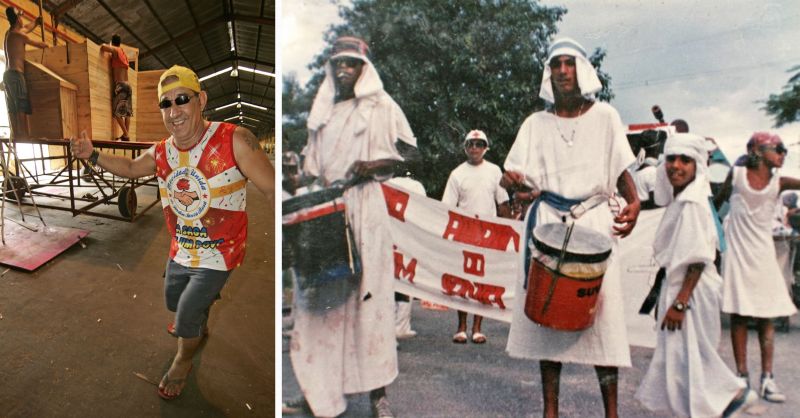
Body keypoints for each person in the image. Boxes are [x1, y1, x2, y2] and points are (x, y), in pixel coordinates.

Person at [69, 65, 275, 400]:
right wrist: (92, 154)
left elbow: (272, 189)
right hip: (181, 248)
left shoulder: (234, 140)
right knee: (174, 301)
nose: (174, 110)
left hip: (221, 251)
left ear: (201, 100)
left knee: (186, 314)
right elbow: (134, 168)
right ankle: (197, 317)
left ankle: (183, 360)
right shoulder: (163, 150)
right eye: (166, 104)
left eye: (182, 99)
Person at [500, 37, 640, 418]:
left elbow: (622, 166)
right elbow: (509, 175)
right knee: (548, 318)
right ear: (549, 75)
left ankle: (611, 413)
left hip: (594, 222)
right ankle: (551, 412)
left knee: (603, 321)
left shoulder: (606, 116)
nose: (562, 71)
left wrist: (636, 200)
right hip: (547, 224)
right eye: (555, 64)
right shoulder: (535, 123)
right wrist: (515, 183)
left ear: (582, 70)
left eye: (569, 63)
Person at [283, 36, 419, 418]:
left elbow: (412, 151)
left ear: (363, 68)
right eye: (338, 63)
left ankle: (378, 397)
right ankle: (316, 394)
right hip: (325, 209)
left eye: (351, 64)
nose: (344, 70)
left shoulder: (381, 105)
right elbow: (310, 168)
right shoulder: (322, 109)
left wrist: (375, 165)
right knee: (316, 305)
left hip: (365, 207)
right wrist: (294, 183)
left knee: (369, 303)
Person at [635, 133, 757, 418]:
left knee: (689, 365)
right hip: (681, 289)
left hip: (691, 293)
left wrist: (680, 303)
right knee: (683, 365)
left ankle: (732, 396)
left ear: (697, 166)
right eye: (672, 159)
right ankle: (726, 399)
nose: (676, 166)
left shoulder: (693, 203)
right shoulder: (683, 199)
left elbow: (698, 259)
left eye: (685, 160)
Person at [715, 132, 800, 402]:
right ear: (757, 150)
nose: (783, 153)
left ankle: (767, 378)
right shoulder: (737, 176)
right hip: (739, 255)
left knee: (766, 317)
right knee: (739, 315)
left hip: (763, 256)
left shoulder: (781, 182)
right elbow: (716, 202)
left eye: (784, 149)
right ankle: (742, 376)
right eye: (778, 148)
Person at [442, 129, 510, 344]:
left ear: (485, 148)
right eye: (471, 144)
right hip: (464, 233)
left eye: (479, 144)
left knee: (482, 281)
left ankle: (478, 328)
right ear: (465, 148)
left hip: (488, 235)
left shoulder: (495, 171)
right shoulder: (456, 174)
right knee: (463, 280)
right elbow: (447, 207)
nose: (475, 148)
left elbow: (503, 204)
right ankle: (461, 327)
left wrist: (508, 228)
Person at [386, 172, 426, 340]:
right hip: (407, 235)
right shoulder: (416, 186)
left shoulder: (387, 182)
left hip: (390, 233)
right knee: (404, 279)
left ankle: (389, 324)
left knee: (389, 281)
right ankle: (401, 325)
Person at [3, 7, 46, 139]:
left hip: (7, 76)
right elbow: (40, 44)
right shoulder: (20, 36)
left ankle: (15, 134)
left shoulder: (9, 34)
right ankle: (23, 136)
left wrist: (36, 22)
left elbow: (27, 27)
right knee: (21, 105)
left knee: (12, 106)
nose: (23, 20)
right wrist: (46, 46)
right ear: (17, 20)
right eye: (21, 17)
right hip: (17, 74)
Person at [100, 34, 132, 141]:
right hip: (128, 85)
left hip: (121, 85)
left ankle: (126, 135)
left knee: (116, 112)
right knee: (127, 113)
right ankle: (125, 136)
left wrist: (108, 45)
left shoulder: (116, 50)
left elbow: (103, 47)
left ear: (112, 42)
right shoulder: (123, 54)